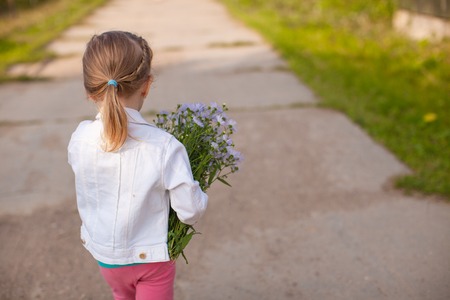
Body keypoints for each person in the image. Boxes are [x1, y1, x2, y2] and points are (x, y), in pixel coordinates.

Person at [68, 31, 208, 300]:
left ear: (89, 91)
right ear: (146, 85)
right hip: (151, 261)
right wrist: (201, 194)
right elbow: (189, 212)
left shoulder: (80, 139)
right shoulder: (164, 146)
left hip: (106, 259)